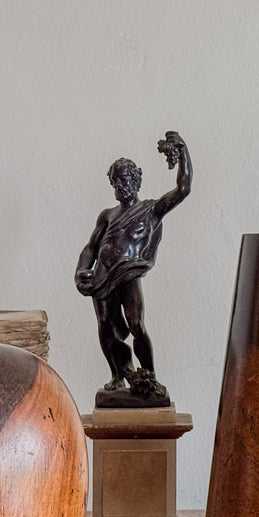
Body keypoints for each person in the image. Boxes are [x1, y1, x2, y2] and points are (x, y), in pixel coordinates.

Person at [76, 131, 191, 401]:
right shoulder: (107, 216)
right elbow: (91, 248)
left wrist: (183, 153)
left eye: (126, 179)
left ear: (137, 180)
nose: (121, 185)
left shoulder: (151, 210)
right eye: (116, 180)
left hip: (128, 274)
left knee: (136, 323)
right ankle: (118, 374)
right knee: (105, 326)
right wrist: (81, 271)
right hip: (102, 278)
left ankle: (149, 374)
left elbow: (183, 190)